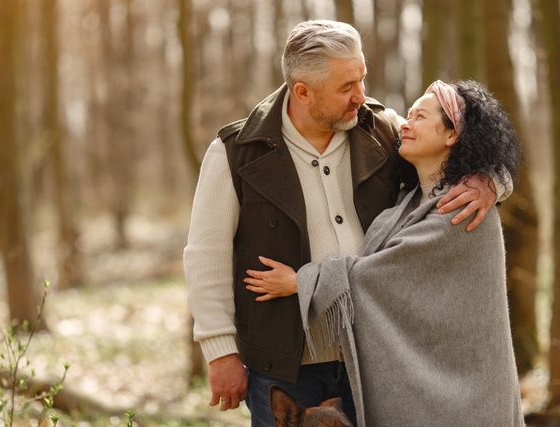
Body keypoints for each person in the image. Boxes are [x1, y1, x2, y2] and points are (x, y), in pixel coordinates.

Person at [183, 20, 510, 426]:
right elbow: (206, 255)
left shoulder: (383, 130)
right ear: (303, 91)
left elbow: (460, 146)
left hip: (375, 357)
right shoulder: (236, 152)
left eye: (361, 79)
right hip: (285, 364)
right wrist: (221, 352)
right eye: (345, 87)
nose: (360, 96)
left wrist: (491, 180)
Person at [244, 80, 525, 426]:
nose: (405, 124)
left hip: (470, 399)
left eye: (420, 116)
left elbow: (379, 276)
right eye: (407, 115)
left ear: (452, 135)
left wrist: (302, 282)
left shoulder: (463, 210)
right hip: (432, 396)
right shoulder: (407, 203)